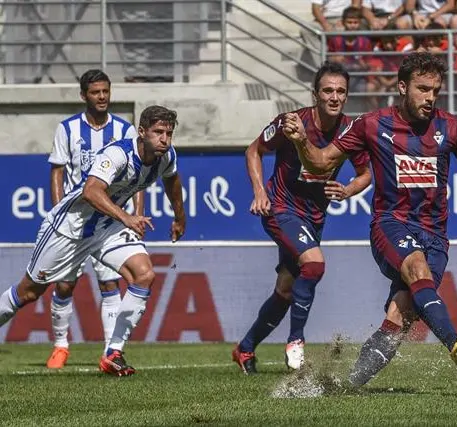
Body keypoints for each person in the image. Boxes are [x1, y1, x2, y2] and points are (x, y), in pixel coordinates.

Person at [282, 52, 457, 386]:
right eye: (423, 88)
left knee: (402, 313)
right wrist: (300, 142)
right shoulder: (372, 124)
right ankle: (455, 342)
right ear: (402, 86)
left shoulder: (449, 127)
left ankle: (351, 384)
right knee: (416, 268)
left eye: (435, 91)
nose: (430, 97)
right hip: (390, 223)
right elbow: (320, 164)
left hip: (435, 236)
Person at [0, 105, 185, 377]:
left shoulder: (166, 156)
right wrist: (127, 216)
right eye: (158, 132)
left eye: (169, 133)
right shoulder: (117, 154)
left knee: (144, 274)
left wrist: (180, 218)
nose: (164, 139)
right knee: (29, 292)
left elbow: (172, 181)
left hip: (106, 227)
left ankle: (113, 353)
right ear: (142, 132)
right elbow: (91, 191)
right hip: (68, 229)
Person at [231, 62, 371, 374]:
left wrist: (348, 190)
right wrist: (258, 191)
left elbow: (365, 175)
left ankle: (245, 348)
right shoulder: (291, 122)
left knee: (285, 290)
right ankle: (296, 341)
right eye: (327, 91)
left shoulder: (351, 130)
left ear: (346, 96)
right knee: (315, 264)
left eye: (340, 92)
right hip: (280, 208)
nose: (334, 97)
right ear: (315, 94)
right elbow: (253, 150)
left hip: (314, 217)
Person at [45, 69, 143, 369]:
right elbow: (57, 171)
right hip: (74, 221)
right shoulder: (68, 129)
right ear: (84, 95)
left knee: (110, 285)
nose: (102, 97)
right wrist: (59, 211)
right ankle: (61, 346)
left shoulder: (125, 130)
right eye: (95, 92)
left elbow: (137, 177)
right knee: (64, 285)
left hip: (109, 222)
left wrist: (135, 215)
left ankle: (109, 352)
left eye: (105, 91)